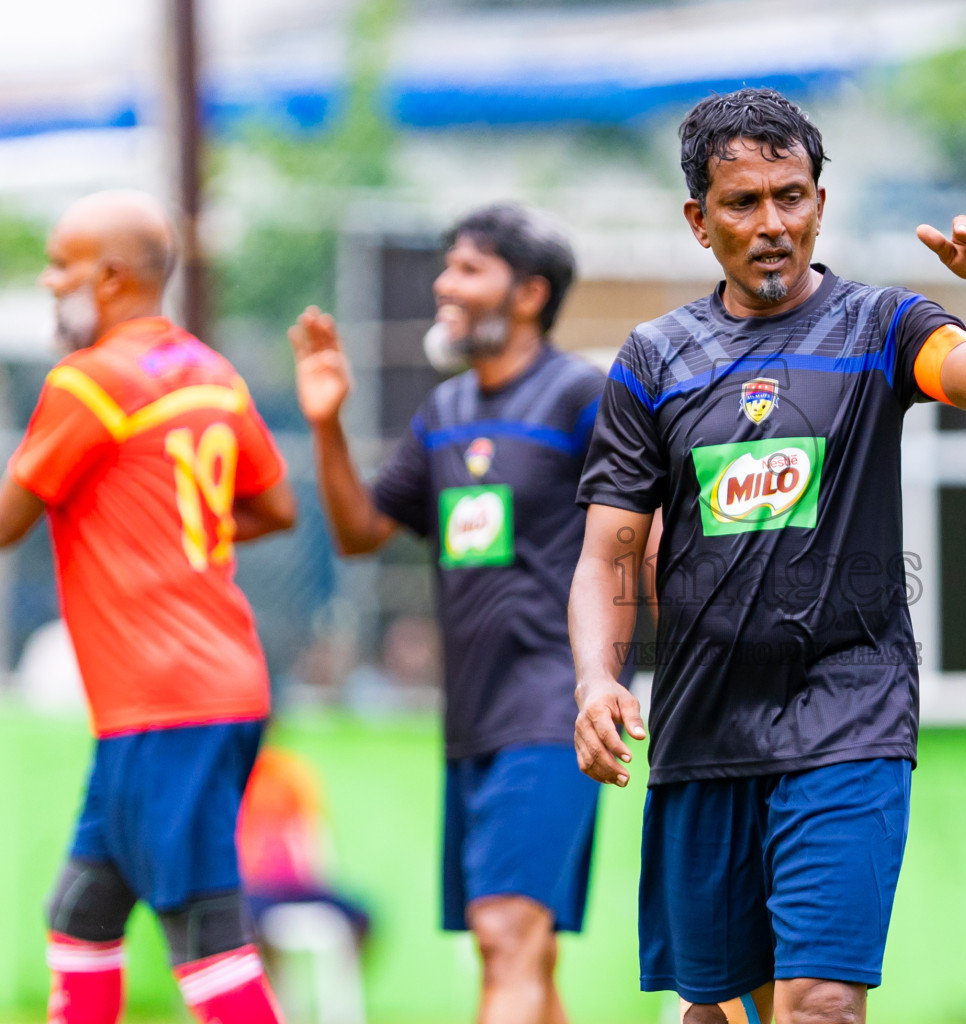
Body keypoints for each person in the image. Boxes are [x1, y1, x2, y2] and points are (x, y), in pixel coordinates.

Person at [569, 87, 966, 1024]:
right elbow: (606, 554)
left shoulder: (883, 328)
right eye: (744, 204)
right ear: (699, 222)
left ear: (821, 203)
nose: (773, 223)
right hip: (705, 725)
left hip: (850, 710)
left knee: (820, 1000)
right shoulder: (655, 360)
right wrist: (595, 677)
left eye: (792, 196)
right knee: (720, 1012)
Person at [289, 203, 618, 1024]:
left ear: (531, 292)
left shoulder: (581, 397)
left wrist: (617, 674)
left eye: (469, 269)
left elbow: (642, 538)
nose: (445, 283)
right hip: (470, 718)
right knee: (520, 951)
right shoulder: (444, 413)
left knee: (506, 931)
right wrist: (327, 423)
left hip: (554, 710)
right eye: (447, 266)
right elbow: (361, 533)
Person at [0, 190, 296, 1024]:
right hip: (210, 687)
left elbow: (7, 519)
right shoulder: (211, 372)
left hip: (165, 702)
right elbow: (274, 509)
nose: (49, 283)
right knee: (84, 910)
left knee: (205, 934)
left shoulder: (90, 382)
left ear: (111, 277)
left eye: (60, 268)